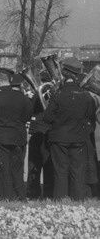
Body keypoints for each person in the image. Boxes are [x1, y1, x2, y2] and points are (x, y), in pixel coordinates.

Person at [44, 58, 97, 200]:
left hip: (59, 137)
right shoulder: (86, 95)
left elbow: (47, 118)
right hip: (79, 137)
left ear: (64, 74)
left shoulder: (57, 94)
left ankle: (60, 200)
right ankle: (77, 200)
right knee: (78, 171)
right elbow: (90, 116)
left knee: (60, 171)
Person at [0, 68, 33, 201]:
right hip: (18, 136)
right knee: (18, 169)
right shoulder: (23, 98)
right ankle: (20, 196)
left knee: (3, 169)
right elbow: (27, 116)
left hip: (1, 136)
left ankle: (6, 196)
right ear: (10, 80)